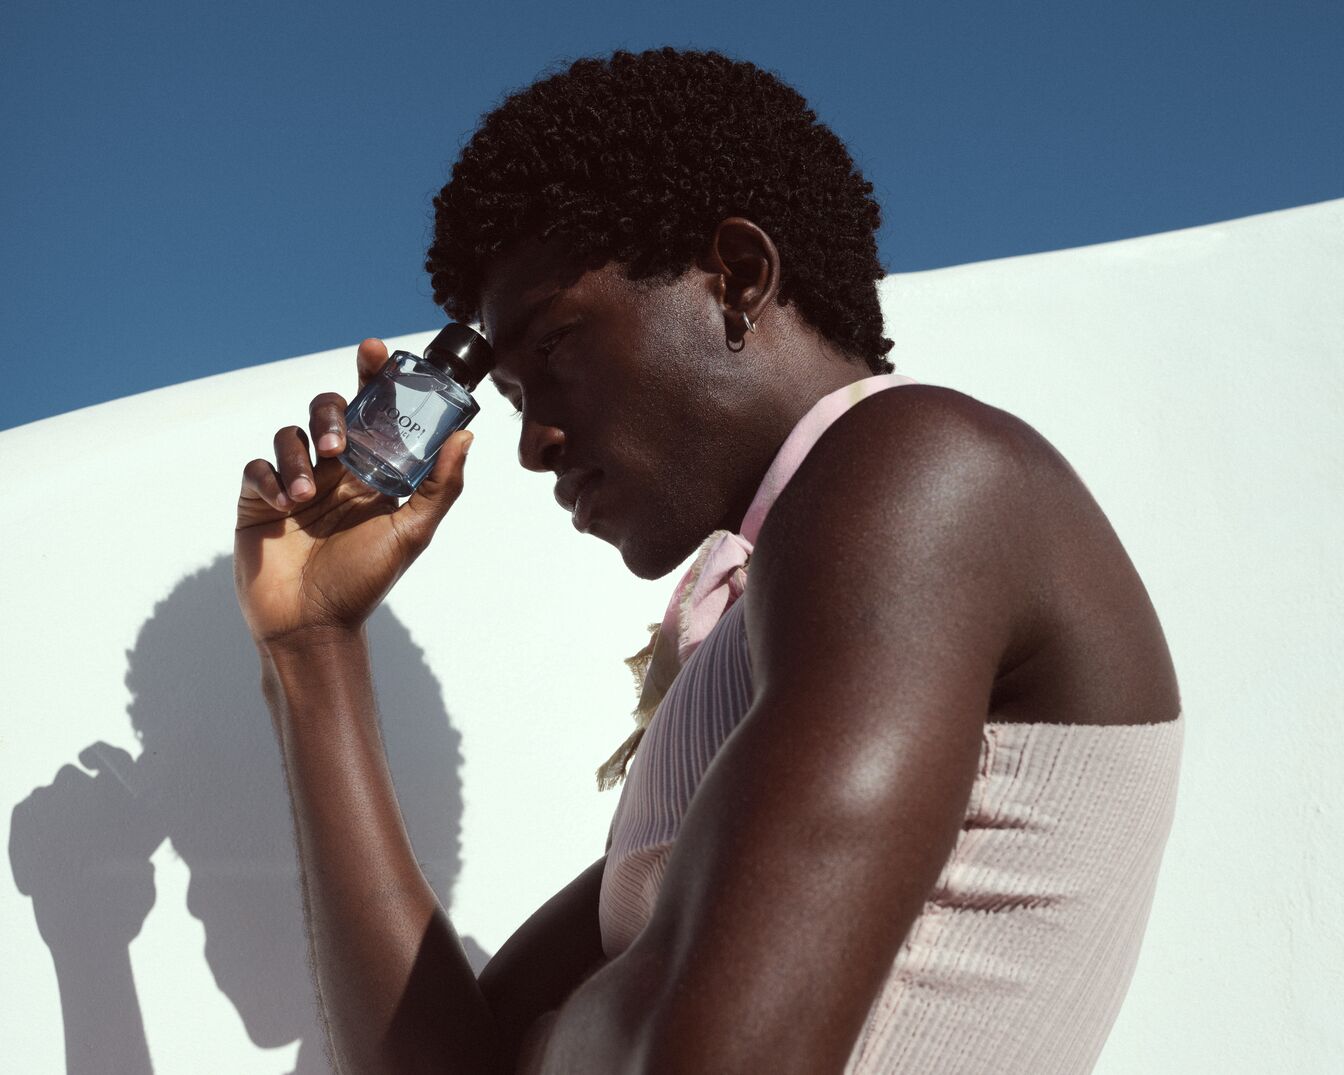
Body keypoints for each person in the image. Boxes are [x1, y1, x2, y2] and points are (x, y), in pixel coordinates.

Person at [233, 46, 1183, 1075]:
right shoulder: (770, 623)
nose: (532, 442)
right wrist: (315, 641)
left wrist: (565, 1034)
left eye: (554, 349)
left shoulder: (920, 475)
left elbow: (707, 1054)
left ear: (737, 277)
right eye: (507, 398)